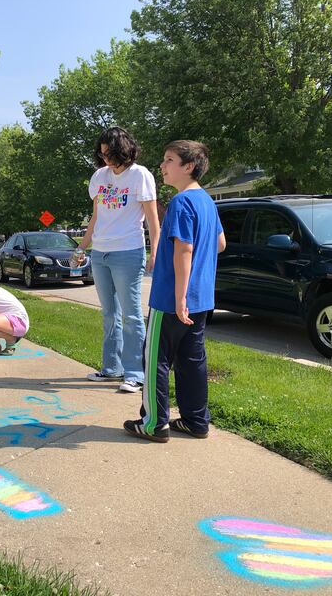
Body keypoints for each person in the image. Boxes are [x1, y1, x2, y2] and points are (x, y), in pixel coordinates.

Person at [123, 140, 226, 443]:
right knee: (192, 360)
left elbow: (184, 250)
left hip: (171, 300)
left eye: (169, 160)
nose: (162, 166)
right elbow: (220, 244)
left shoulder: (181, 203)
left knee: (155, 359)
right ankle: (196, 421)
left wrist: (179, 296)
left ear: (188, 166)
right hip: (201, 299)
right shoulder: (207, 201)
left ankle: (154, 423)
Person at [77, 127, 160, 393]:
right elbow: (96, 216)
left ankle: (136, 374)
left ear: (123, 150)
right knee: (109, 313)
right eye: (102, 155)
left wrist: (155, 249)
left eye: (110, 154)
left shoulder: (140, 175)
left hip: (128, 252)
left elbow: (152, 218)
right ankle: (112, 368)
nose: (106, 160)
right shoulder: (99, 176)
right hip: (99, 253)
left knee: (132, 315)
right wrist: (82, 246)